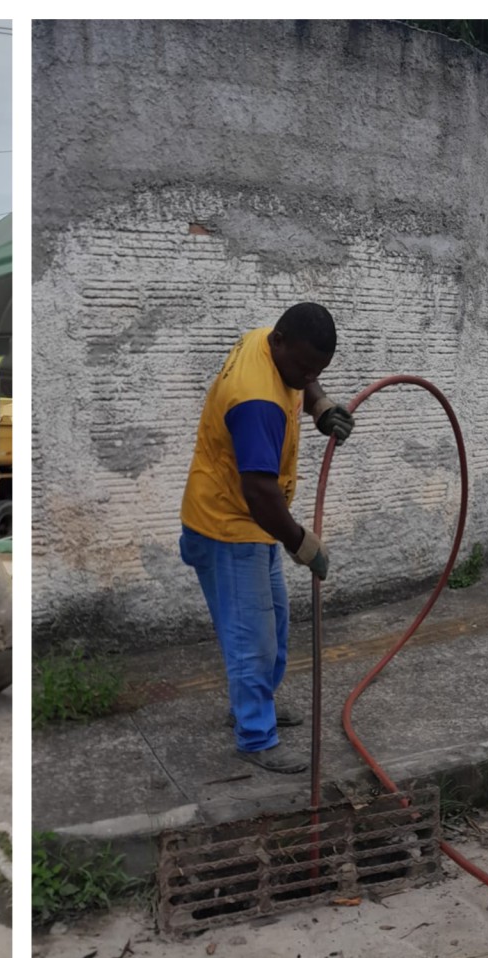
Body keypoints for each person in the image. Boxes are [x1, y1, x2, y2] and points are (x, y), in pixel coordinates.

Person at [179, 302, 356, 775]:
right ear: (278, 344)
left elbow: (302, 373)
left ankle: (254, 705)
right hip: (228, 527)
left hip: (251, 525)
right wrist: (303, 544)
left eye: (317, 369)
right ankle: (255, 737)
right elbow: (259, 494)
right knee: (251, 639)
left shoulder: (269, 341)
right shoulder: (256, 399)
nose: (307, 376)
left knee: (274, 624)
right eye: (302, 368)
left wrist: (319, 404)